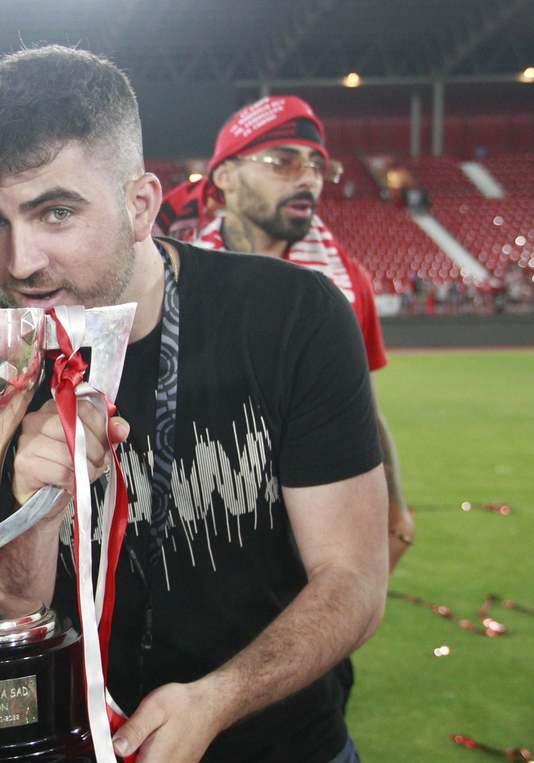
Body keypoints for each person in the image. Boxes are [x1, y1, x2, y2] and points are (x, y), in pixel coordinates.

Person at [0, 46, 409, 763]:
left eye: (55, 211)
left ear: (141, 202)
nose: (18, 259)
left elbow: (354, 576)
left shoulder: (291, 318)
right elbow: (2, 621)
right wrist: (28, 507)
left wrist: (218, 699)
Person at [159, 96, 416, 572]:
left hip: (313, 540)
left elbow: (363, 412)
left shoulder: (349, 282)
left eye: (318, 165)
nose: (307, 178)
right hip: (191, 538)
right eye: (283, 162)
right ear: (226, 179)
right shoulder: (167, 275)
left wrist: (395, 505)